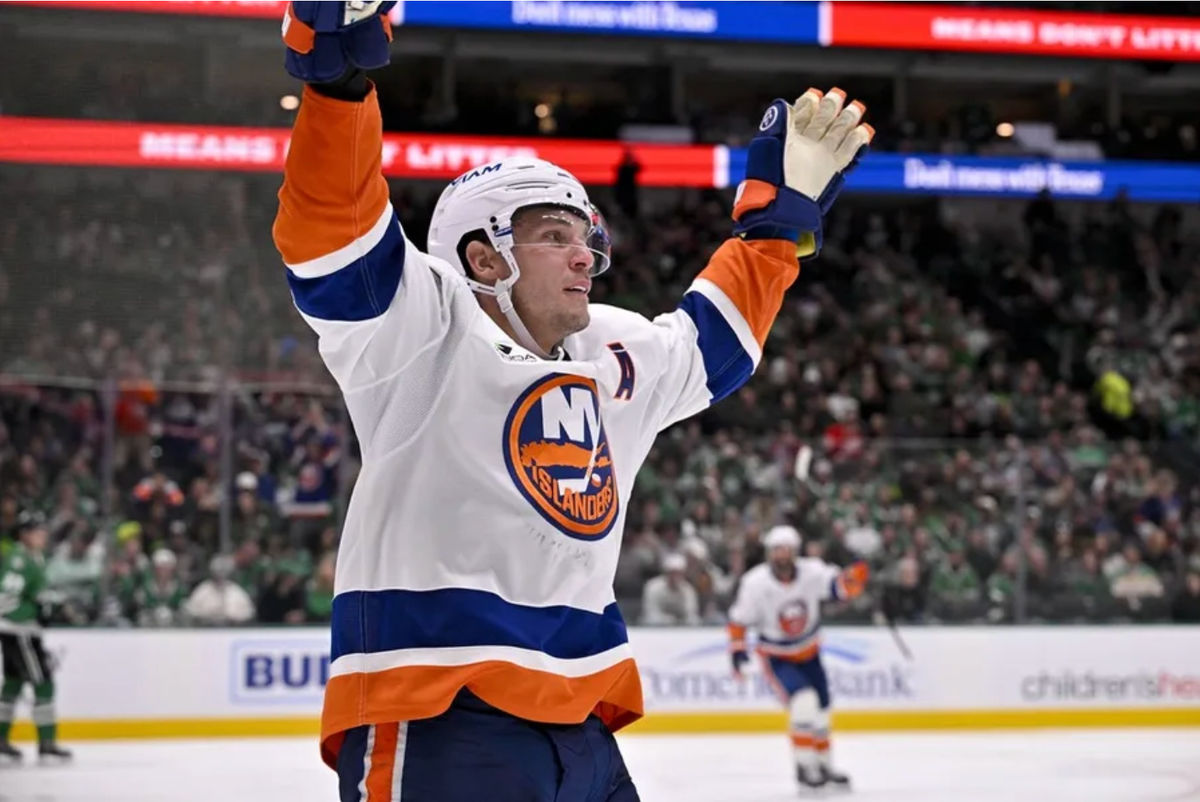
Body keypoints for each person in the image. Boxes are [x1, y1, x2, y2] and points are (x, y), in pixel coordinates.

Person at [275, 4, 872, 799]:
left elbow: (714, 347)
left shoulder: (610, 350)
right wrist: (338, 86)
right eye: (555, 234)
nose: (584, 254)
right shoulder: (419, 327)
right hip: (438, 705)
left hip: (583, 715)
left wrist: (774, 226)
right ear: (483, 257)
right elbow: (333, 234)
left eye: (587, 236)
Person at [727, 525, 869, 791]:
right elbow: (739, 620)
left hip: (810, 652)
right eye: (777, 550)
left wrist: (854, 578)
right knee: (804, 703)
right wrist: (737, 650)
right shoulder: (755, 583)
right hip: (777, 656)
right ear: (769, 553)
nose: (782, 555)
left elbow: (838, 588)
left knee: (823, 711)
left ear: (795, 552)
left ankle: (824, 765)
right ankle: (805, 767)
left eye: (787, 550)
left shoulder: (812, 571)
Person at [0, 513, 72, 764]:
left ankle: (0, 742)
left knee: (13, 684)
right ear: (24, 534)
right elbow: (5, 598)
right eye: (38, 531)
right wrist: (35, 612)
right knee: (43, 682)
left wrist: (49, 603)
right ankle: (47, 744)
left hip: (16, 631)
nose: (43, 535)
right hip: (20, 631)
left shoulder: (32, 557)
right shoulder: (20, 560)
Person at [640, 553, 700, 625]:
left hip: (681, 628)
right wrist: (668, 620)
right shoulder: (653, 587)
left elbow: (691, 613)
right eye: (672, 573)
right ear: (666, 573)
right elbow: (651, 613)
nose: (675, 576)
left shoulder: (688, 589)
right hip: (654, 628)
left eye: (679, 573)